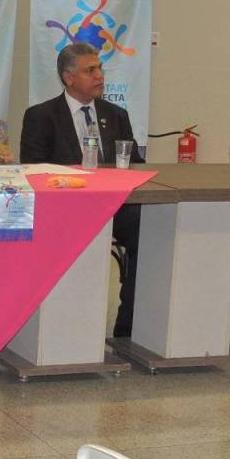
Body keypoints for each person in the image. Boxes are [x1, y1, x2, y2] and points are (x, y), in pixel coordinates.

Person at [20, 41, 144, 338]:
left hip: (114, 208)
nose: (99, 75)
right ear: (69, 77)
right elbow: (33, 169)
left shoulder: (116, 115)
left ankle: (129, 322)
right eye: (90, 70)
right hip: (64, 210)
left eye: (100, 68)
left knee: (150, 229)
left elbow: (135, 165)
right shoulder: (41, 116)